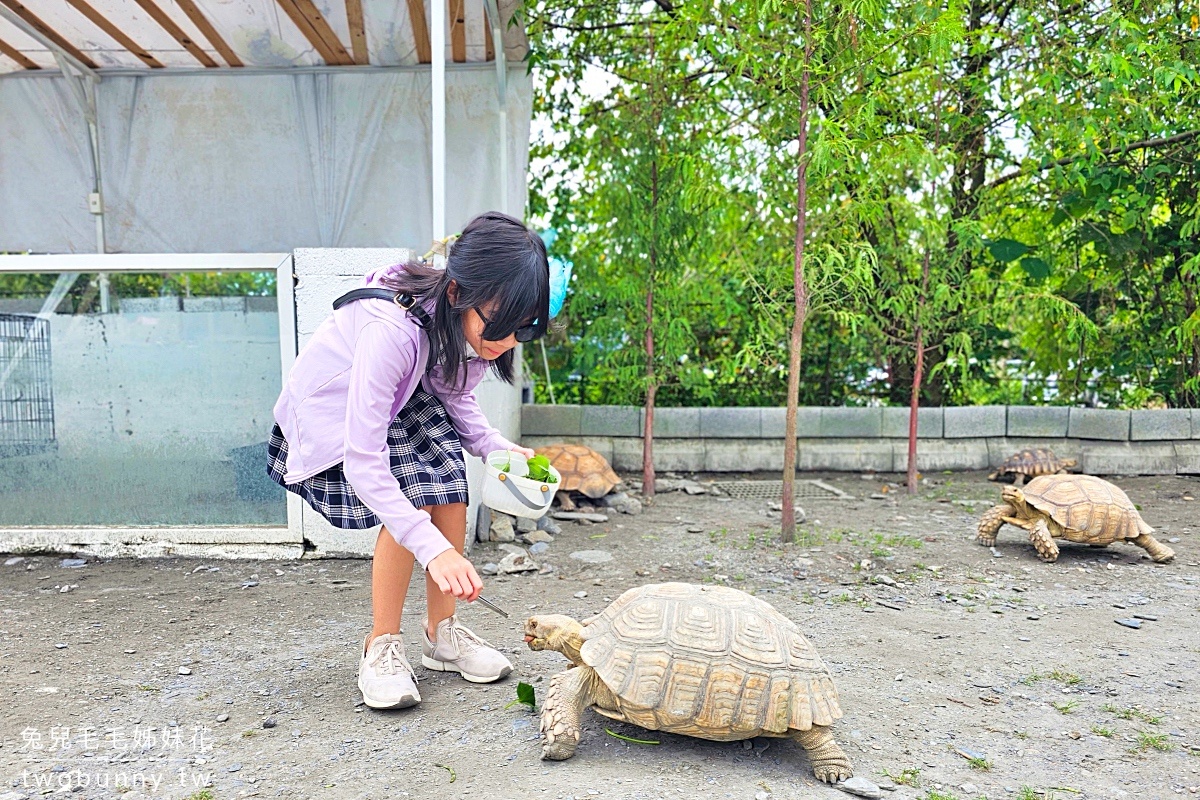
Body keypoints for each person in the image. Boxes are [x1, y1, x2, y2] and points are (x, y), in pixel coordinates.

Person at [267, 212, 549, 709]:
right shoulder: (392, 333)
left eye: (521, 332)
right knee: (413, 502)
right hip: (333, 423)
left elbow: (454, 396)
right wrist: (432, 549)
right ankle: (381, 645)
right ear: (459, 292)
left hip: (400, 401)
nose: (506, 343)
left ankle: (442, 635)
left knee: (451, 487)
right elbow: (363, 457)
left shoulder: (460, 322)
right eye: (501, 327)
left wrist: (492, 445)